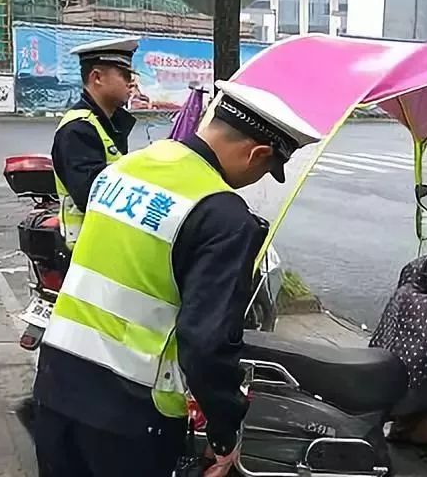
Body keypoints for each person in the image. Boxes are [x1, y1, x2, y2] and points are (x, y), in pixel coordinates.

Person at [32, 80, 322, 477]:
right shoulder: (223, 215)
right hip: (130, 415)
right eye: (267, 170)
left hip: (55, 382)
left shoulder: (127, 167)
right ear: (258, 153)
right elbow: (207, 344)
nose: (258, 180)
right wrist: (224, 433)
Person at [52, 37, 138, 248]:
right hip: (86, 251)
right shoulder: (78, 129)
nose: (133, 83)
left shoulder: (107, 122)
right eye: (125, 75)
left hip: (105, 244)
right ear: (97, 77)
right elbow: (91, 194)